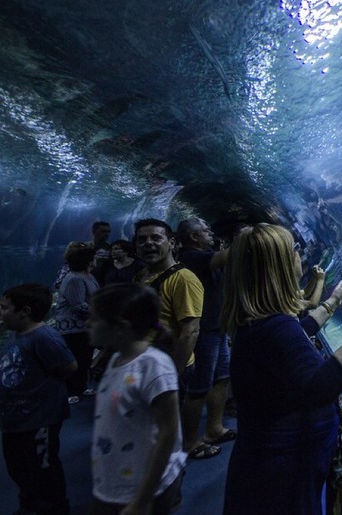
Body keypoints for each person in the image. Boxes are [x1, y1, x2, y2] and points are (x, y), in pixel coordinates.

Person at [220, 224, 342, 515]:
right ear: (278, 264)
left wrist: (333, 301)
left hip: (264, 460)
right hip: (283, 470)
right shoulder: (277, 327)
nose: (300, 254)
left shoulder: (258, 320)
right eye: (294, 249)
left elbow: (299, 334)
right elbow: (321, 387)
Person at [88, 283, 186, 515]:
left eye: (94, 319)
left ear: (121, 326)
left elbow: (168, 433)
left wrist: (142, 500)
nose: (87, 324)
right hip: (113, 481)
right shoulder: (115, 360)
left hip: (144, 488)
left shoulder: (154, 365)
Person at [131, 218, 213, 459]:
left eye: (156, 238)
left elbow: (190, 331)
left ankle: (168, 486)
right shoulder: (141, 277)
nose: (149, 244)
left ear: (172, 242)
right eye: (142, 239)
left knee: (166, 433)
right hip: (145, 364)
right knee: (148, 427)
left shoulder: (184, 279)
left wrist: (172, 373)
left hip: (169, 367)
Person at [0, 283, 77, 515]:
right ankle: (30, 503)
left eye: (4, 308)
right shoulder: (15, 334)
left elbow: (69, 366)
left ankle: (53, 508)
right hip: (14, 418)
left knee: (43, 468)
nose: (1, 312)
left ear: (24, 311)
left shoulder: (44, 337)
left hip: (39, 419)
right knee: (17, 467)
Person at [175, 217, 235, 456]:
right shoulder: (190, 256)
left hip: (217, 328)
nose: (210, 231)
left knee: (222, 378)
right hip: (202, 331)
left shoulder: (206, 254)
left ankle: (214, 428)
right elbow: (224, 257)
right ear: (193, 237)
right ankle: (191, 442)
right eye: (205, 229)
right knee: (199, 386)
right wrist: (250, 236)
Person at [54, 242, 100, 402]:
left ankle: (81, 387)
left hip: (85, 326)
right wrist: (101, 314)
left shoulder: (89, 276)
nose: (97, 259)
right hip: (73, 328)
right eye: (94, 257)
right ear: (87, 260)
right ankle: (70, 391)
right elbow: (78, 304)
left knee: (85, 358)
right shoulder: (74, 279)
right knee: (75, 358)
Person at [87, 221, 114, 286]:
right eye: (103, 231)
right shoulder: (84, 248)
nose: (107, 234)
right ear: (94, 231)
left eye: (108, 231)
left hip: (105, 283)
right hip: (87, 280)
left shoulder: (111, 249)